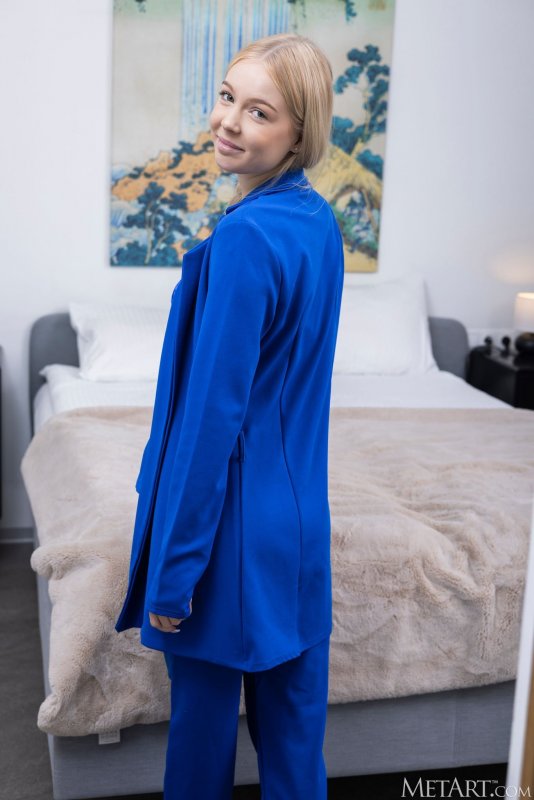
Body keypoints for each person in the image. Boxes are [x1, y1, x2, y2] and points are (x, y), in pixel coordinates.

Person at [114, 31, 345, 799]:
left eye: (259, 112)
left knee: (199, 760)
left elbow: (210, 424)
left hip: (227, 544)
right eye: (226, 97)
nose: (228, 122)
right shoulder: (318, 222)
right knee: (295, 756)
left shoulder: (245, 238)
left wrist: (174, 573)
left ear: (299, 134)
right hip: (299, 535)